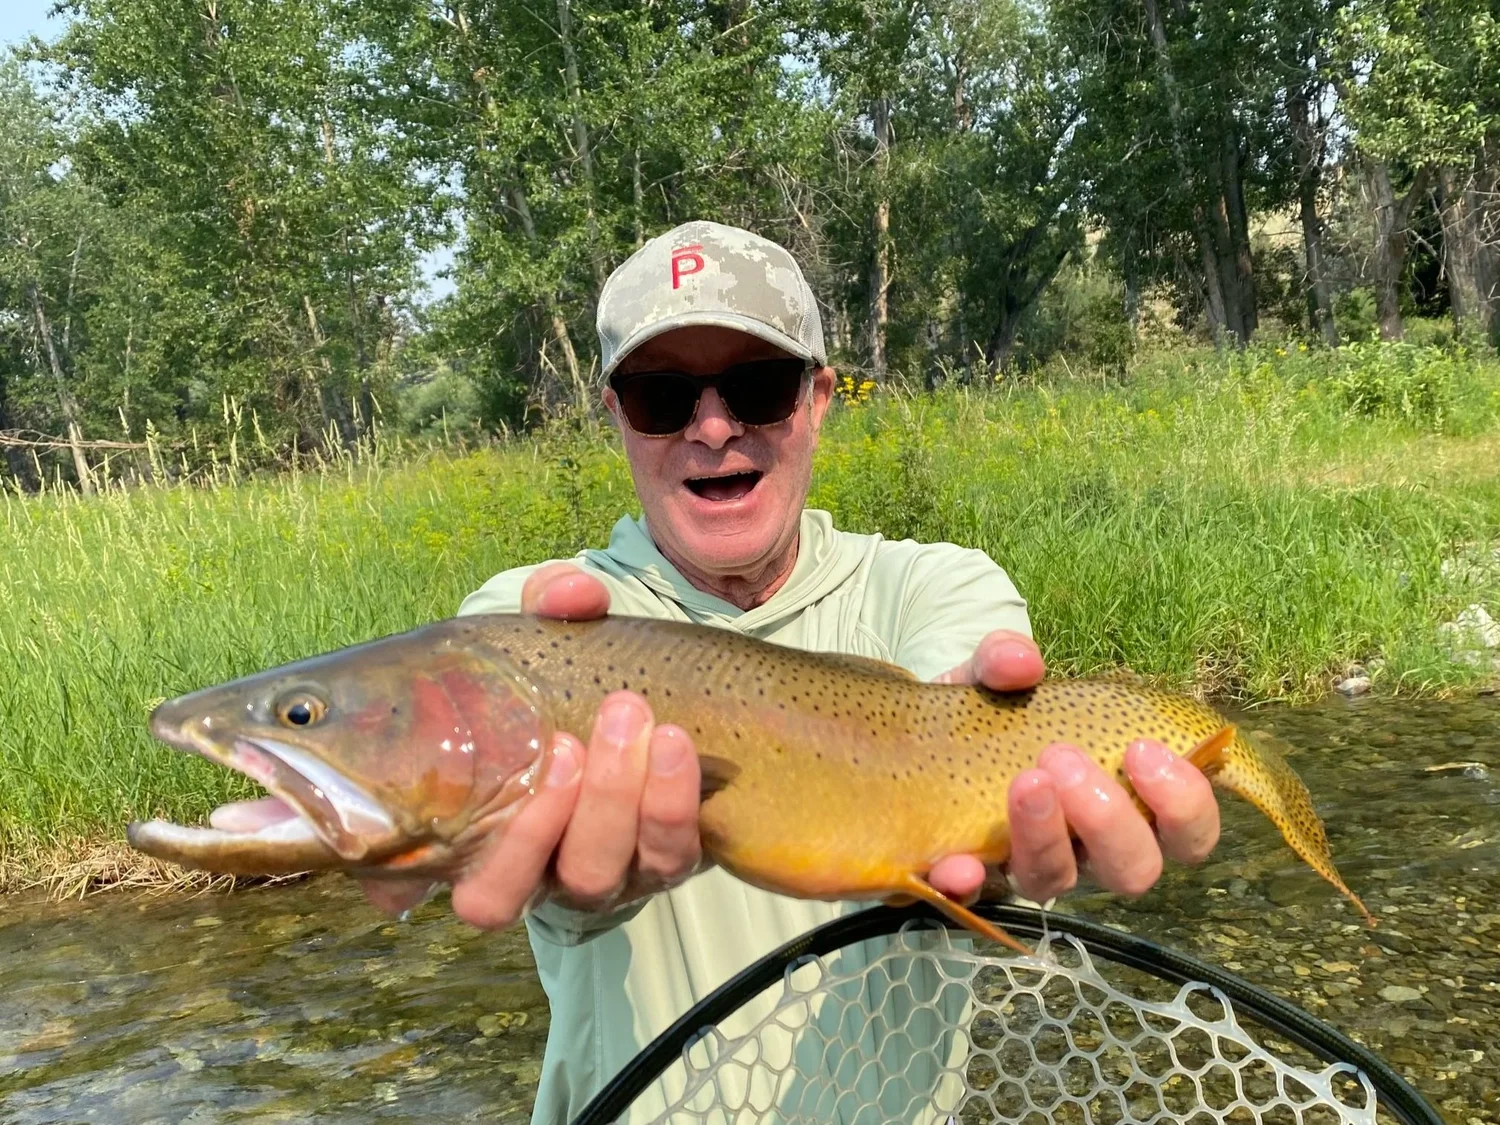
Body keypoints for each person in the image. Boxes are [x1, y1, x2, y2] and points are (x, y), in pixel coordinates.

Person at [364, 221, 1222, 1123]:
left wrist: (1011, 840)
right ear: (616, 416)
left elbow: (964, 759)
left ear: (817, 398)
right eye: (663, 397)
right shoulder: (531, 626)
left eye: (757, 385)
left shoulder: (935, 587)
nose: (714, 426)